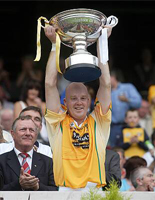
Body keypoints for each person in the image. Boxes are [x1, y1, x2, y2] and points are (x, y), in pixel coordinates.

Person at [44, 25, 112, 190]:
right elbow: (49, 84)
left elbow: (106, 83)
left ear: (90, 101)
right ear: (65, 103)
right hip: (64, 189)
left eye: (83, 98)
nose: (79, 102)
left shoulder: (99, 121)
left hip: (94, 190)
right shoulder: (57, 123)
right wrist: (54, 45)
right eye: (73, 99)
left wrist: (101, 43)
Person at [0, 115, 57, 191]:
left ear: (36, 135)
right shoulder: (1, 161)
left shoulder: (48, 162)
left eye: (31, 130)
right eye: (23, 129)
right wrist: (18, 184)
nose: (28, 133)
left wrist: (38, 187)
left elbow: (56, 191)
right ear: (13, 134)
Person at [110, 70, 142, 147]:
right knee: (115, 150)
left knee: (133, 147)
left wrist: (127, 100)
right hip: (113, 127)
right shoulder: (106, 92)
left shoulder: (128, 87)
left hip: (130, 125)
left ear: (113, 77)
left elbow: (138, 102)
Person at [13, 79, 48, 145]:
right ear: (26, 90)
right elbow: (16, 122)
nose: (33, 91)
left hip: (43, 135)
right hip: (24, 133)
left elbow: (48, 121)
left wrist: (40, 105)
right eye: (31, 88)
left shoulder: (43, 104)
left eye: (36, 89)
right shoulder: (19, 104)